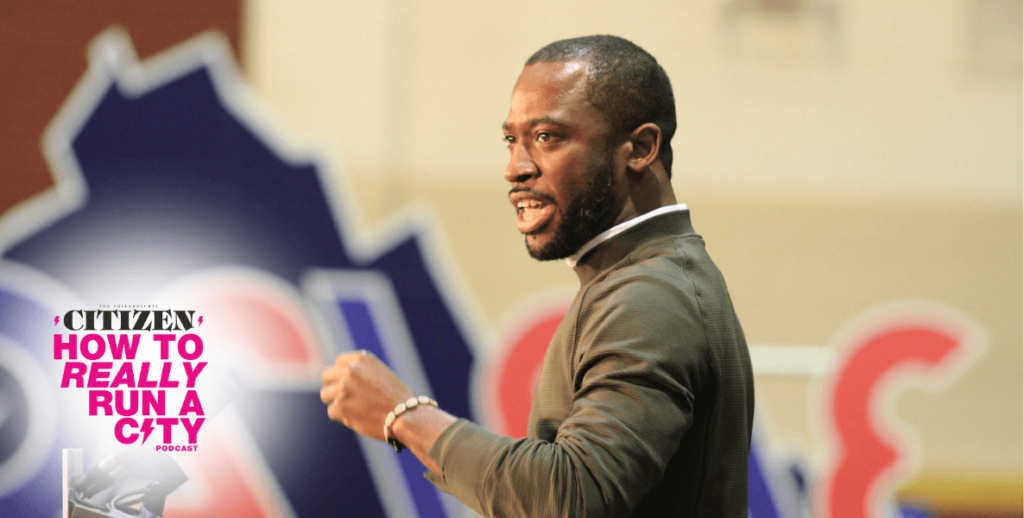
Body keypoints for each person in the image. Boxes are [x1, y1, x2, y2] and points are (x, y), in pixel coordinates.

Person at [320, 35, 754, 517]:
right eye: (512, 140)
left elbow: (572, 494)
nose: (515, 168)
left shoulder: (650, 296)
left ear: (641, 148)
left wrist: (406, 416)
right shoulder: (641, 278)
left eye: (547, 137)